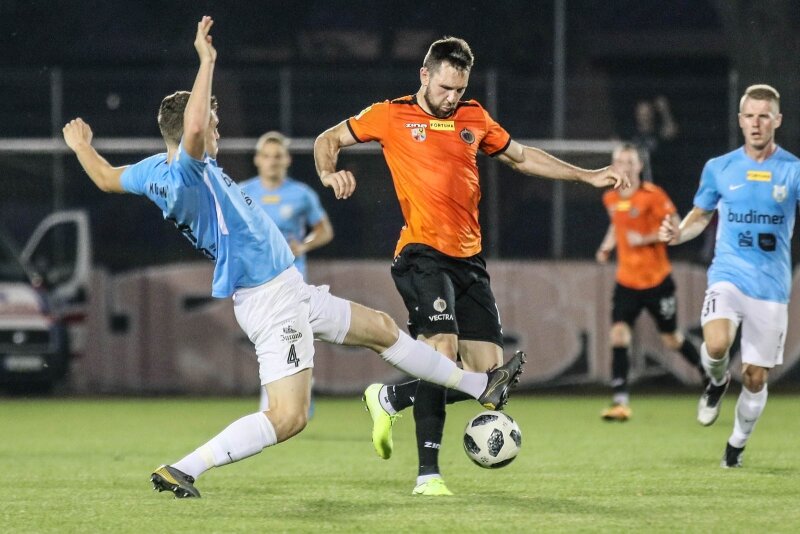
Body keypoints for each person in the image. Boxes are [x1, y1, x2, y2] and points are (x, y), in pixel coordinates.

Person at [61, 17, 525, 499]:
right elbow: (195, 126)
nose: (217, 132)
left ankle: (479, 387)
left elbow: (106, 178)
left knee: (382, 329)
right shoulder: (186, 173)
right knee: (288, 417)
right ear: (192, 132)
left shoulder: (152, 170)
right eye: (214, 126)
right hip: (270, 300)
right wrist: (207, 60)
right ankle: (183, 468)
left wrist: (81, 148)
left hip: (288, 289)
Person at [314, 36, 629, 495]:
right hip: (421, 253)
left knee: (489, 379)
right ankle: (428, 475)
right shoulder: (390, 114)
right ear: (424, 75)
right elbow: (328, 139)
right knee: (441, 355)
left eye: (459, 89)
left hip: (470, 260)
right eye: (445, 88)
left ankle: (390, 398)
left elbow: (522, 156)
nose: (451, 97)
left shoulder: (474, 117)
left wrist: (586, 175)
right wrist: (329, 172)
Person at [659, 84, 799, 468]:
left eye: (764, 116)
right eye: (750, 116)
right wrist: (678, 233)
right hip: (728, 275)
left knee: (755, 378)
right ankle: (716, 381)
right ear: (740, 120)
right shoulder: (719, 167)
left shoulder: (793, 170)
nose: (756, 123)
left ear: (777, 120)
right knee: (717, 344)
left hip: (771, 287)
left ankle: (736, 445)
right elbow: (701, 214)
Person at [596, 144, 705, 421]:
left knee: (671, 338)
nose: (625, 166)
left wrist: (644, 238)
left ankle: (708, 373)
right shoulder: (610, 197)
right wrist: (607, 246)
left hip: (657, 282)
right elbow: (616, 224)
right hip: (626, 283)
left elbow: (676, 226)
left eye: (630, 161)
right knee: (618, 334)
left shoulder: (653, 196)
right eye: (620, 161)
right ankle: (620, 400)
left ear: (639, 166)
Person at [240, 131, 334, 414]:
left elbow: (324, 231)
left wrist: (303, 246)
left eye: (277, 156)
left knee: (279, 338)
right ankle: (300, 387)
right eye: (267, 156)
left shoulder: (301, 194)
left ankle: (271, 409)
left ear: (287, 160)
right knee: (279, 340)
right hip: (255, 281)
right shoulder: (242, 192)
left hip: (291, 278)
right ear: (257, 159)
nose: (272, 161)